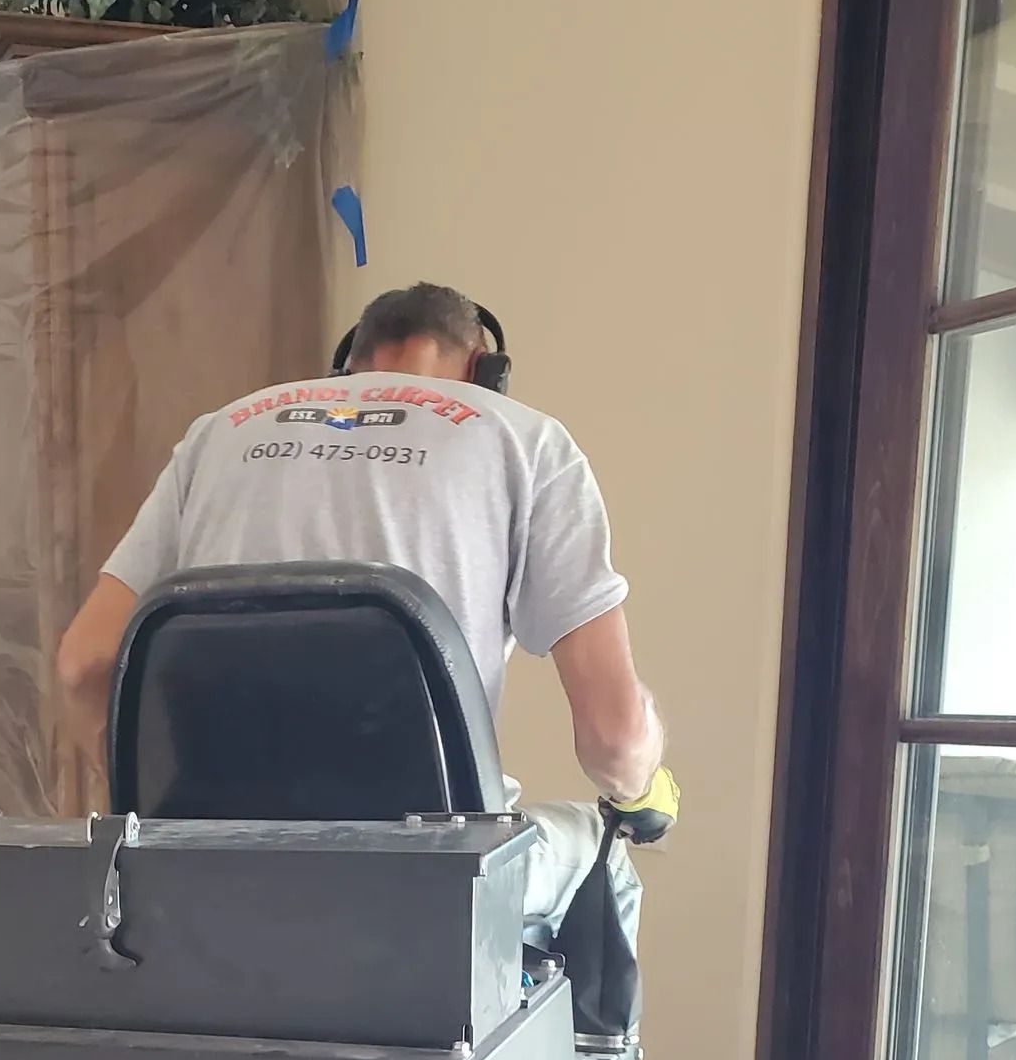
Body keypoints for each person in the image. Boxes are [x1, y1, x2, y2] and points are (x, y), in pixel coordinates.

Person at [56, 281, 664, 813]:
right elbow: (614, 738)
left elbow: (84, 663)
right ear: (485, 369)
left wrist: (162, 813)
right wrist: (641, 793)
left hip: (216, 856)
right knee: (603, 851)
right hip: (429, 874)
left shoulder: (219, 432)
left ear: (346, 369)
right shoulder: (524, 439)